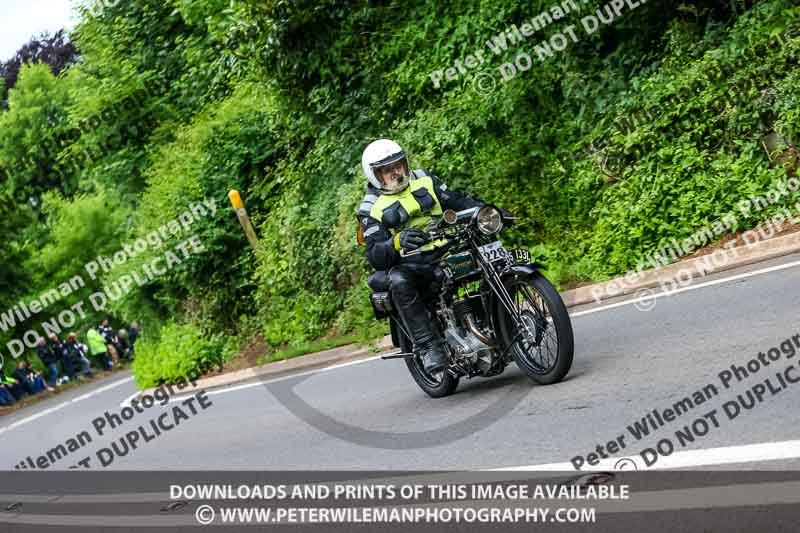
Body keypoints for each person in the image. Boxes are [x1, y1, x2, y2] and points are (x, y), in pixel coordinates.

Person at [358, 139, 499, 374]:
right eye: (387, 169)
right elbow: (375, 255)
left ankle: (499, 320)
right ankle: (428, 346)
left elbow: (456, 200)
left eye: (399, 165)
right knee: (398, 280)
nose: (396, 172)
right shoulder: (370, 208)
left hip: (447, 249)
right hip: (413, 265)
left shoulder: (424, 178)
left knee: (488, 251)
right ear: (375, 175)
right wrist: (395, 242)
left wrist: (485, 210)